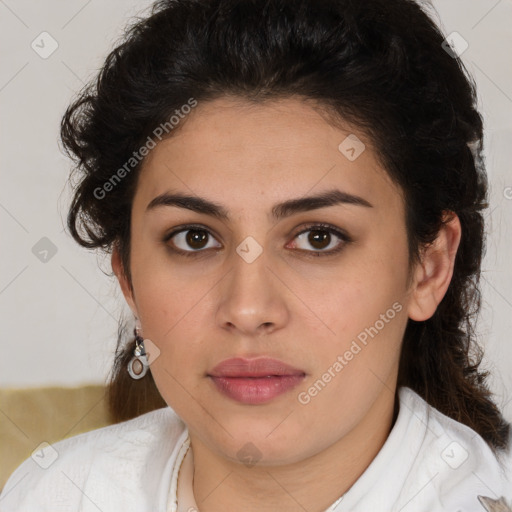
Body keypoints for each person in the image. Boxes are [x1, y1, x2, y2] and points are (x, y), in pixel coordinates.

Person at [1, 0, 511, 511]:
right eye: (194, 238)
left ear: (429, 268)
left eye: (318, 238)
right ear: (127, 275)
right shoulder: (56, 494)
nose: (247, 310)